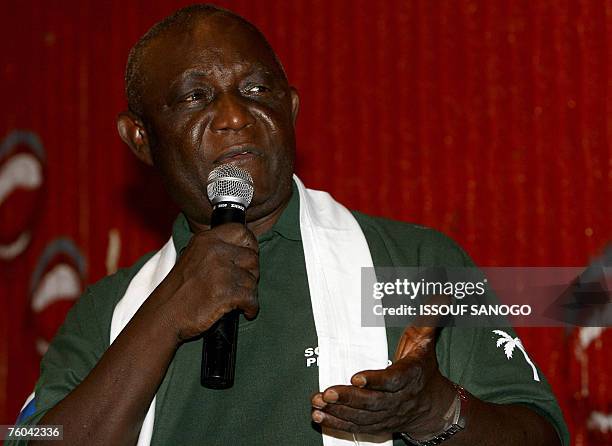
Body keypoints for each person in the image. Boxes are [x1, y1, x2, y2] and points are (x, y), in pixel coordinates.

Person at [12, 4, 568, 446]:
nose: (234, 115)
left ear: (292, 110)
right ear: (140, 138)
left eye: (257, 90)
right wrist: (166, 313)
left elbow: (542, 433)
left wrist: (436, 411)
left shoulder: (413, 263)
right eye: (195, 96)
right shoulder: (108, 313)